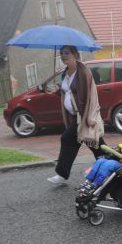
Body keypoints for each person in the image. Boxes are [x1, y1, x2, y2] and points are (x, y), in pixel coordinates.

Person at [47, 45, 105, 184]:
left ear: (76, 55)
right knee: (95, 144)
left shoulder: (83, 72)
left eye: (67, 53)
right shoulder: (65, 73)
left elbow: (92, 95)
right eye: (62, 53)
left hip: (84, 116)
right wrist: (58, 88)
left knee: (67, 139)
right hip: (74, 116)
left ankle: (62, 174)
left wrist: (90, 116)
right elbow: (69, 92)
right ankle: (109, 166)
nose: (63, 55)